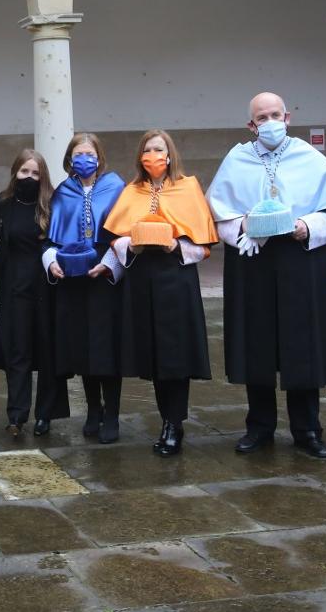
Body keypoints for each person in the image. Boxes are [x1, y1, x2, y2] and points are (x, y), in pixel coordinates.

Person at [206, 92, 326, 458]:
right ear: (251, 124)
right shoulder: (237, 159)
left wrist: (307, 226)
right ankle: (259, 427)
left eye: (275, 114)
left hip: (300, 262)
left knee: (302, 344)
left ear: (288, 117)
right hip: (252, 263)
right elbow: (218, 212)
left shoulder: (309, 156)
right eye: (262, 116)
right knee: (255, 344)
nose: (269, 121)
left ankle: (307, 430)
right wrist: (244, 225)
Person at [103, 130, 217, 456]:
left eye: (159, 149)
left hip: (176, 277)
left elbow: (202, 244)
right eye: (148, 149)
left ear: (170, 154)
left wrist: (175, 245)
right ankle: (166, 417)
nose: (153, 154)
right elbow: (117, 238)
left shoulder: (188, 187)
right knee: (153, 353)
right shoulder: (132, 191)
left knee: (175, 353)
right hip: (142, 278)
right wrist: (132, 243)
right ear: (140, 156)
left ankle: (174, 424)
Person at [43, 134, 125, 442]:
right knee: (83, 347)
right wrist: (52, 262)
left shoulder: (117, 187)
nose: (84, 159)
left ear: (100, 157)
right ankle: (93, 409)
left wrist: (107, 263)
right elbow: (50, 240)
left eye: (89, 153)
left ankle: (113, 415)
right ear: (69, 159)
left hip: (104, 279)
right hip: (73, 281)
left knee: (107, 348)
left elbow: (123, 234)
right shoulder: (63, 192)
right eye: (78, 154)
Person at [0, 149, 68, 436]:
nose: (29, 178)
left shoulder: (51, 204)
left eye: (35, 173)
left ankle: (45, 415)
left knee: (48, 352)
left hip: (47, 285)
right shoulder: (3, 203)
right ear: (15, 173)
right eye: (24, 172)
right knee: (17, 351)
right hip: (13, 286)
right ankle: (16, 415)